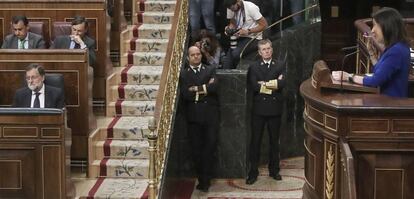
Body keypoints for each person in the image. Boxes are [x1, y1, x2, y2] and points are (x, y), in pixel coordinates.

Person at [332, 7, 410, 98]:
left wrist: (349, 77)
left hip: (390, 105)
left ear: (387, 26)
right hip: (385, 101)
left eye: (375, 25)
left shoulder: (396, 51)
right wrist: (371, 52)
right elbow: (379, 71)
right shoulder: (396, 47)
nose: (372, 30)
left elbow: (376, 80)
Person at [180, 46, 219, 192]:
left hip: (210, 116)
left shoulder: (210, 69)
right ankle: (202, 178)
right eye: (193, 55)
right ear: (188, 57)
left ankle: (206, 180)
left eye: (198, 54)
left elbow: (214, 87)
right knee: (196, 150)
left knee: (209, 148)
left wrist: (196, 88)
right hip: (193, 117)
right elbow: (186, 94)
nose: (196, 57)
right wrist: (205, 88)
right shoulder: (184, 74)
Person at [246, 39, 285, 185]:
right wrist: (273, 84)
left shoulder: (280, 65)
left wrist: (264, 84)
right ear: (259, 52)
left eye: (269, 48)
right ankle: (253, 172)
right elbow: (254, 86)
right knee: (255, 142)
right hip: (259, 110)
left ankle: (274, 170)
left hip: (275, 110)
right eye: (264, 49)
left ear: (272, 49)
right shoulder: (254, 66)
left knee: (274, 142)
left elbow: (283, 83)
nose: (267, 51)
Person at [223, 0, 268, 69]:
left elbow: (264, 25)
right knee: (227, 62)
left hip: (253, 37)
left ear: (238, 2)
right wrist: (229, 28)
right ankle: (228, 77)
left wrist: (248, 31)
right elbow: (232, 22)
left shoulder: (251, 7)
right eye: (231, 9)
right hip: (239, 36)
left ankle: (237, 74)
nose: (233, 11)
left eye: (234, 9)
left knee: (235, 53)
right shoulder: (230, 8)